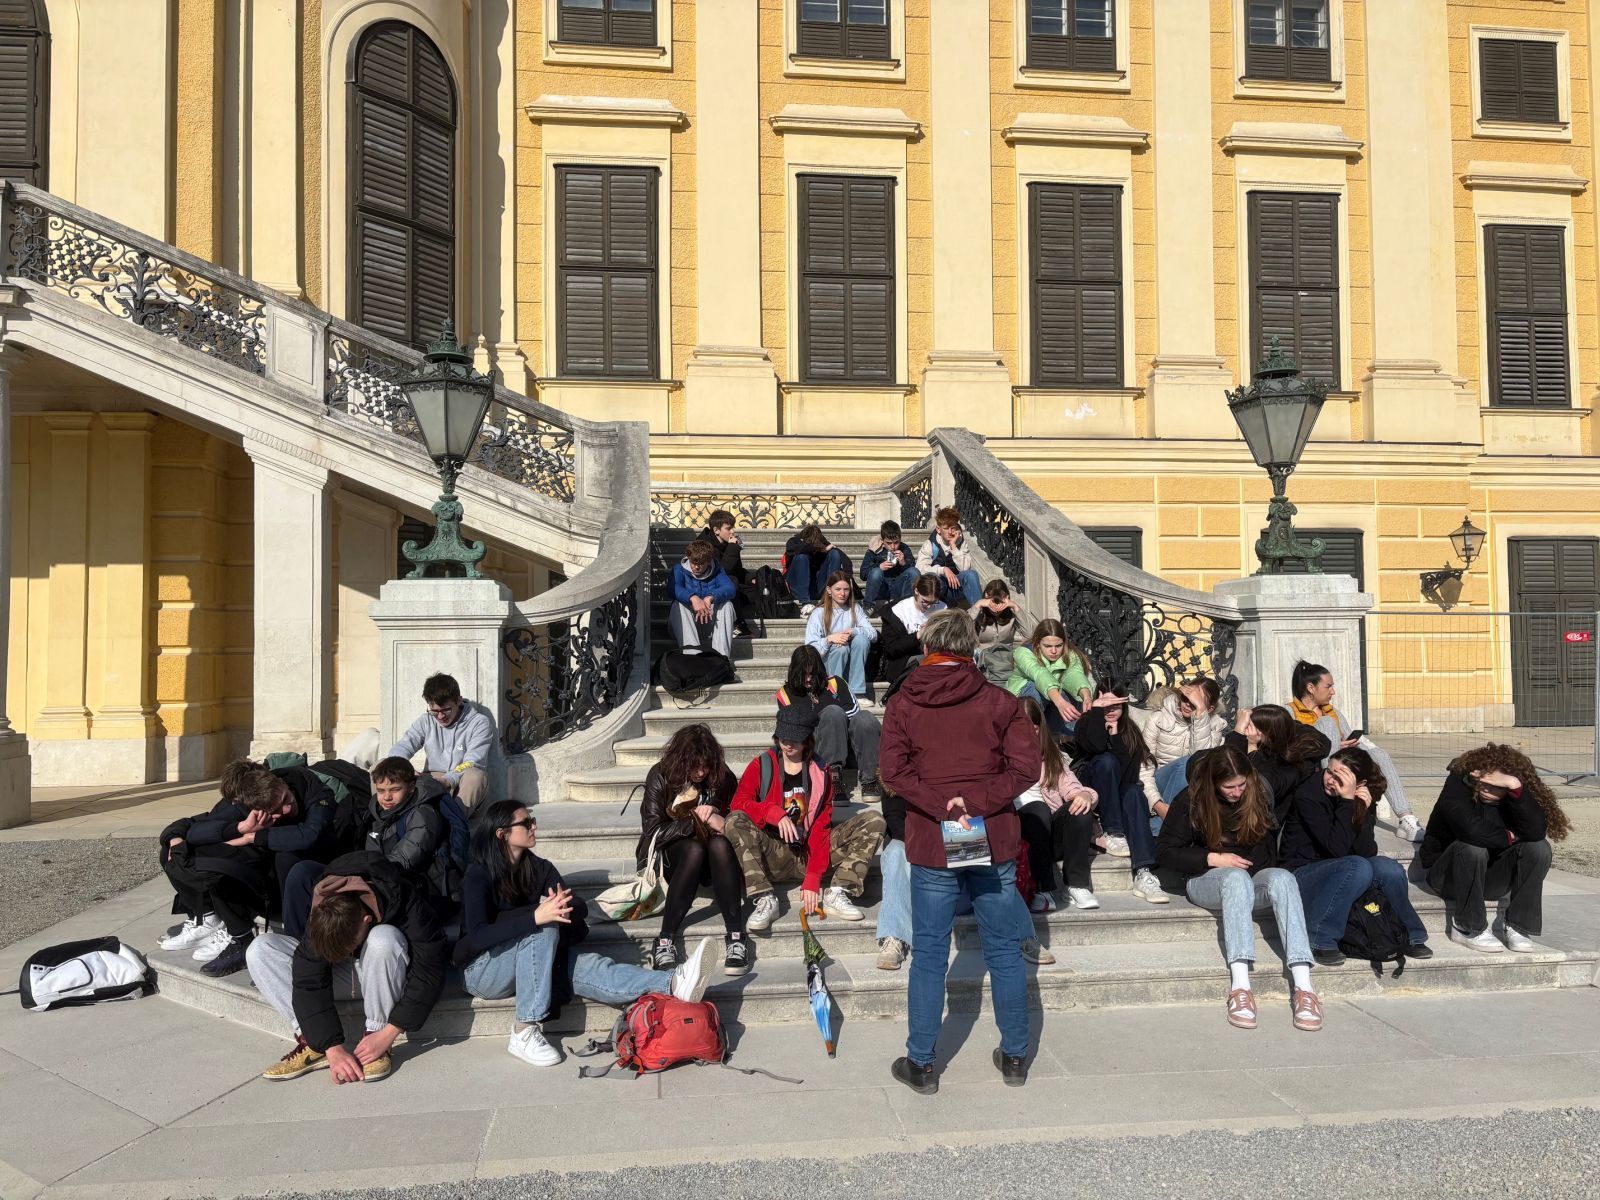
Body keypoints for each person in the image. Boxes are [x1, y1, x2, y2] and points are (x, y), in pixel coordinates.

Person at [878, 609, 1042, 1093]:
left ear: (928, 647)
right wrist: (976, 802)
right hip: (991, 833)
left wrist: (943, 804)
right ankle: (1015, 1056)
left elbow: (894, 771)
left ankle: (922, 1063)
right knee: (1004, 950)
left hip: (934, 835)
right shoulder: (1000, 699)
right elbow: (1026, 768)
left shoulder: (903, 702)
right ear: (971, 648)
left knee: (929, 953)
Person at [457, 800, 714, 1067]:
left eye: (532, 821)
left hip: (529, 961)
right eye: (526, 823)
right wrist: (535, 916)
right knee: (543, 926)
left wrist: (561, 908)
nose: (534, 827)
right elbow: (476, 937)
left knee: (591, 965)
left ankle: (673, 982)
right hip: (482, 971)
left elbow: (578, 907)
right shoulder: (478, 875)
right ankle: (524, 1030)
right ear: (502, 834)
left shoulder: (539, 868)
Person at [1154, 745, 1321, 1032]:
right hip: (1206, 879)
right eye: (1229, 787)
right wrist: (1213, 858)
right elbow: (1166, 852)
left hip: (1249, 879)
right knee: (1234, 878)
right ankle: (1241, 988)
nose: (1237, 792)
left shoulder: (1256, 794)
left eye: (1241, 784)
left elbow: (1266, 849)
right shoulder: (1191, 799)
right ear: (1213, 782)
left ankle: (1304, 987)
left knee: (1283, 878)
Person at [244, 850, 449, 1083]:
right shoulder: (325, 906)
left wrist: (390, 1031)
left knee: (384, 938)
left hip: (386, 977)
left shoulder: (405, 898)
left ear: (366, 920)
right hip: (341, 980)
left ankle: (375, 1036)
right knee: (261, 949)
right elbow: (308, 978)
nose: (339, 955)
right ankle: (312, 1044)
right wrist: (330, 1046)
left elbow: (430, 968)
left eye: (346, 947)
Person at [158, 759, 337, 977]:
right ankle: (216, 922)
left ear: (279, 782)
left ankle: (285, 946)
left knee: (286, 856)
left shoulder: (309, 787)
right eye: (276, 810)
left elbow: (310, 834)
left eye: (286, 799)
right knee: (183, 852)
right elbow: (196, 827)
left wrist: (253, 837)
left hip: (308, 871)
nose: (287, 808)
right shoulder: (247, 803)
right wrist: (240, 827)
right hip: (267, 876)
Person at [724, 708, 887, 930]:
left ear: (807, 740)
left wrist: (813, 875)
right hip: (772, 853)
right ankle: (764, 898)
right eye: (783, 737)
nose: (788, 744)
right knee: (734, 820)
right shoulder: (762, 765)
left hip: (809, 852)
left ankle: (839, 891)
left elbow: (821, 826)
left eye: (795, 739)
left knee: (874, 820)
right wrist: (771, 812)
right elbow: (738, 803)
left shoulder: (821, 771)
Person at [875, 784, 1056, 971]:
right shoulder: (898, 780)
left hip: (966, 870)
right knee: (896, 850)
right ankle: (894, 937)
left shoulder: (958, 775)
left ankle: (1025, 936)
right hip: (926, 877)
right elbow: (898, 825)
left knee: (981, 847)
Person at [1280, 747, 1432, 965]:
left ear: (1360, 784)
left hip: (1343, 869)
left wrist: (1363, 812)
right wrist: (1347, 803)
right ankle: (1319, 937)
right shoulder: (1308, 795)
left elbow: (1367, 851)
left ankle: (1410, 934)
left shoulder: (1361, 796)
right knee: (1357, 867)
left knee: (1389, 868)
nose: (1330, 780)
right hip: (1302, 873)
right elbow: (1336, 849)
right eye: (1329, 771)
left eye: (1340, 778)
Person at [1419, 743, 1568, 953]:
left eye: (1497, 786)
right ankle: (1467, 927)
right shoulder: (1459, 783)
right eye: (1483, 784)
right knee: (1472, 847)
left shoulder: (1514, 791)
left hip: (1490, 878)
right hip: (1447, 876)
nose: (1487, 789)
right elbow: (1470, 830)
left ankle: (1517, 926)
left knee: (1539, 848)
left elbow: (1535, 832)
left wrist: (1515, 787)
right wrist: (1509, 836)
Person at [637, 724, 748, 975]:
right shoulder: (661, 775)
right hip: (673, 856)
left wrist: (717, 812)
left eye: (705, 766)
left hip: (713, 857)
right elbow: (653, 832)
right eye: (694, 767)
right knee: (694, 849)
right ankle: (665, 939)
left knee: (720, 844)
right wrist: (695, 821)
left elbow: (739, 813)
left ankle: (736, 936)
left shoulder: (720, 775)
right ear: (681, 761)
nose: (700, 772)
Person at [1290, 661, 1423, 842]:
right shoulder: (1290, 712)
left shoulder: (1333, 712)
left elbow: (1352, 740)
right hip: (1315, 769)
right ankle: (1333, 793)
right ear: (1311, 688)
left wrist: (1358, 750)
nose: (1333, 691)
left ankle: (1406, 818)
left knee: (1379, 754)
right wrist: (1332, 745)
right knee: (1326, 724)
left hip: (1344, 762)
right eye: (1328, 686)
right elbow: (1291, 747)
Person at [1074, 689, 1165, 901]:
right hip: (1090, 791)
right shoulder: (1085, 724)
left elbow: (1128, 776)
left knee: (1134, 792)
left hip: (1118, 794)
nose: (1112, 709)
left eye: (1117, 704)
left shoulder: (1129, 730)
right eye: (1106, 704)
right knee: (1106, 761)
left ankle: (1143, 872)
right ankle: (1113, 832)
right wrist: (1097, 714)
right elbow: (1096, 747)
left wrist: (1115, 738)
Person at [1013, 697, 1100, 912]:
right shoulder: (997, 758)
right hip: (1015, 835)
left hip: (1048, 835)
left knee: (1079, 807)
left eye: (1033, 729)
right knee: (1037, 809)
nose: (1027, 734)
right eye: (1021, 728)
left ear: (1040, 729)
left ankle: (1076, 885)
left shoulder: (1051, 757)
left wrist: (1085, 795)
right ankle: (1042, 889)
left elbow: (1073, 788)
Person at [778, 645, 883, 800]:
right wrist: (827, 717)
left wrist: (833, 718)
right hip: (817, 751)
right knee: (832, 713)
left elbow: (854, 711)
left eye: (812, 674)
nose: (808, 679)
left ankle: (870, 780)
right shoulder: (785, 694)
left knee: (865, 717)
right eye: (803, 674)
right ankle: (833, 779)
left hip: (850, 747)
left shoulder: (835, 683)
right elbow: (794, 728)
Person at [388, 672, 495, 811]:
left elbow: (473, 762)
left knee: (476, 776)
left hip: (461, 781)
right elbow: (403, 746)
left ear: (459, 700)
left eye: (446, 710)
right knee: (383, 766)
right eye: (434, 711)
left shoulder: (479, 723)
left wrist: (447, 780)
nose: (440, 716)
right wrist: (405, 769)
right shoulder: (426, 721)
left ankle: (454, 822)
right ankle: (388, 818)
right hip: (430, 778)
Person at [1224, 704, 1330, 823]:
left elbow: (1266, 785)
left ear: (1267, 734)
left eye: (1250, 727)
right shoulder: (1274, 742)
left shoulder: (1300, 762)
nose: (1246, 732)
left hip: (1268, 822)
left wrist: (1251, 747)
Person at [1148, 679, 1229, 811]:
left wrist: (1200, 715)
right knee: (1185, 764)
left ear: (1209, 709)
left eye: (1195, 702)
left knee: (1191, 764)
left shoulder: (1215, 726)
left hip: (1192, 787)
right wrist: (1156, 802)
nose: (1188, 704)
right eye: (1186, 698)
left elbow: (1201, 764)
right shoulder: (1158, 718)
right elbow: (1144, 765)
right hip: (1159, 782)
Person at [1004, 619, 1094, 738]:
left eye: (1059, 646)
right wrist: (1060, 702)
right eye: (1047, 646)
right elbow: (1039, 673)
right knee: (1034, 687)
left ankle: (1073, 735)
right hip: (1020, 705)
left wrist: (1086, 696)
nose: (1054, 651)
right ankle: (1026, 734)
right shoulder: (1023, 652)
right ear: (1037, 643)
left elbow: (1074, 675)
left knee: (1074, 692)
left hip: (1051, 710)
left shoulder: (1070, 655)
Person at [804, 570, 877, 702]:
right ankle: (834, 692)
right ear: (829, 590)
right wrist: (830, 639)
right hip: (828, 664)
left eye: (846, 589)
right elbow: (810, 649)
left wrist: (854, 631)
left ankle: (857, 692)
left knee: (861, 639)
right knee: (840, 648)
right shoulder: (819, 613)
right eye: (838, 589)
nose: (842, 593)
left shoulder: (855, 609)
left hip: (851, 664)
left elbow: (873, 634)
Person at [668, 538, 737, 659]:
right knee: (678, 604)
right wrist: (693, 598)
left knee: (727, 605)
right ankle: (693, 657)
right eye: (693, 562)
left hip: (709, 624)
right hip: (684, 626)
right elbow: (672, 589)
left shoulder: (717, 570)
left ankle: (721, 659)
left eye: (701, 563)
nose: (696, 567)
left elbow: (730, 588)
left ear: (709, 561)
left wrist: (710, 597)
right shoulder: (678, 569)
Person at [879, 574, 946, 686]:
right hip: (906, 661)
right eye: (925, 601)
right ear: (916, 591)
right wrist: (918, 635)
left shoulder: (944, 608)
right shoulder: (898, 611)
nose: (929, 606)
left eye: (933, 602)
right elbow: (891, 649)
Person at [700, 509, 756, 637]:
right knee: (731, 581)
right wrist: (733, 549)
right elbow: (722, 572)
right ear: (716, 530)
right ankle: (738, 625)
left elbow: (737, 570)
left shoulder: (728, 544)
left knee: (757, 585)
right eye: (728, 528)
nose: (732, 532)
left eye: (733, 527)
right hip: (708, 586)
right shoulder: (705, 545)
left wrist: (752, 578)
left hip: (726, 584)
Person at [913, 507, 982, 608]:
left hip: (956, 587)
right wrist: (942, 570)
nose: (950, 532)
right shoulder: (930, 544)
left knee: (971, 575)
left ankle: (979, 611)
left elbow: (965, 570)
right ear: (938, 529)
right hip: (938, 587)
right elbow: (919, 569)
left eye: (953, 528)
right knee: (932, 577)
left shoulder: (961, 544)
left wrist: (953, 546)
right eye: (946, 528)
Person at [783, 523, 846, 611]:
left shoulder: (821, 542)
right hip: (797, 587)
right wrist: (822, 549)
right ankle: (805, 603)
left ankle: (832, 597)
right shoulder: (794, 541)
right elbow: (801, 549)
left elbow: (845, 559)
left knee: (834, 553)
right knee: (802, 557)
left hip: (818, 586)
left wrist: (848, 576)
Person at [972, 579, 1021, 686]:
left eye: (1000, 603)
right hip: (982, 657)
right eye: (994, 602)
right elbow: (961, 630)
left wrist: (1016, 607)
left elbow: (1030, 634)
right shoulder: (979, 614)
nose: (997, 608)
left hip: (1005, 657)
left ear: (1006, 599)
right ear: (986, 597)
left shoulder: (1012, 616)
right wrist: (978, 605)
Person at [861, 519, 920, 608]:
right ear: (882, 540)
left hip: (898, 586)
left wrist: (903, 563)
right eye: (889, 543)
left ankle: (908, 606)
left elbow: (914, 573)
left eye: (896, 543)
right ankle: (868, 606)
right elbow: (863, 574)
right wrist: (879, 567)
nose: (893, 546)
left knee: (913, 572)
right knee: (876, 572)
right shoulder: (874, 549)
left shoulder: (904, 548)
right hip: (881, 587)